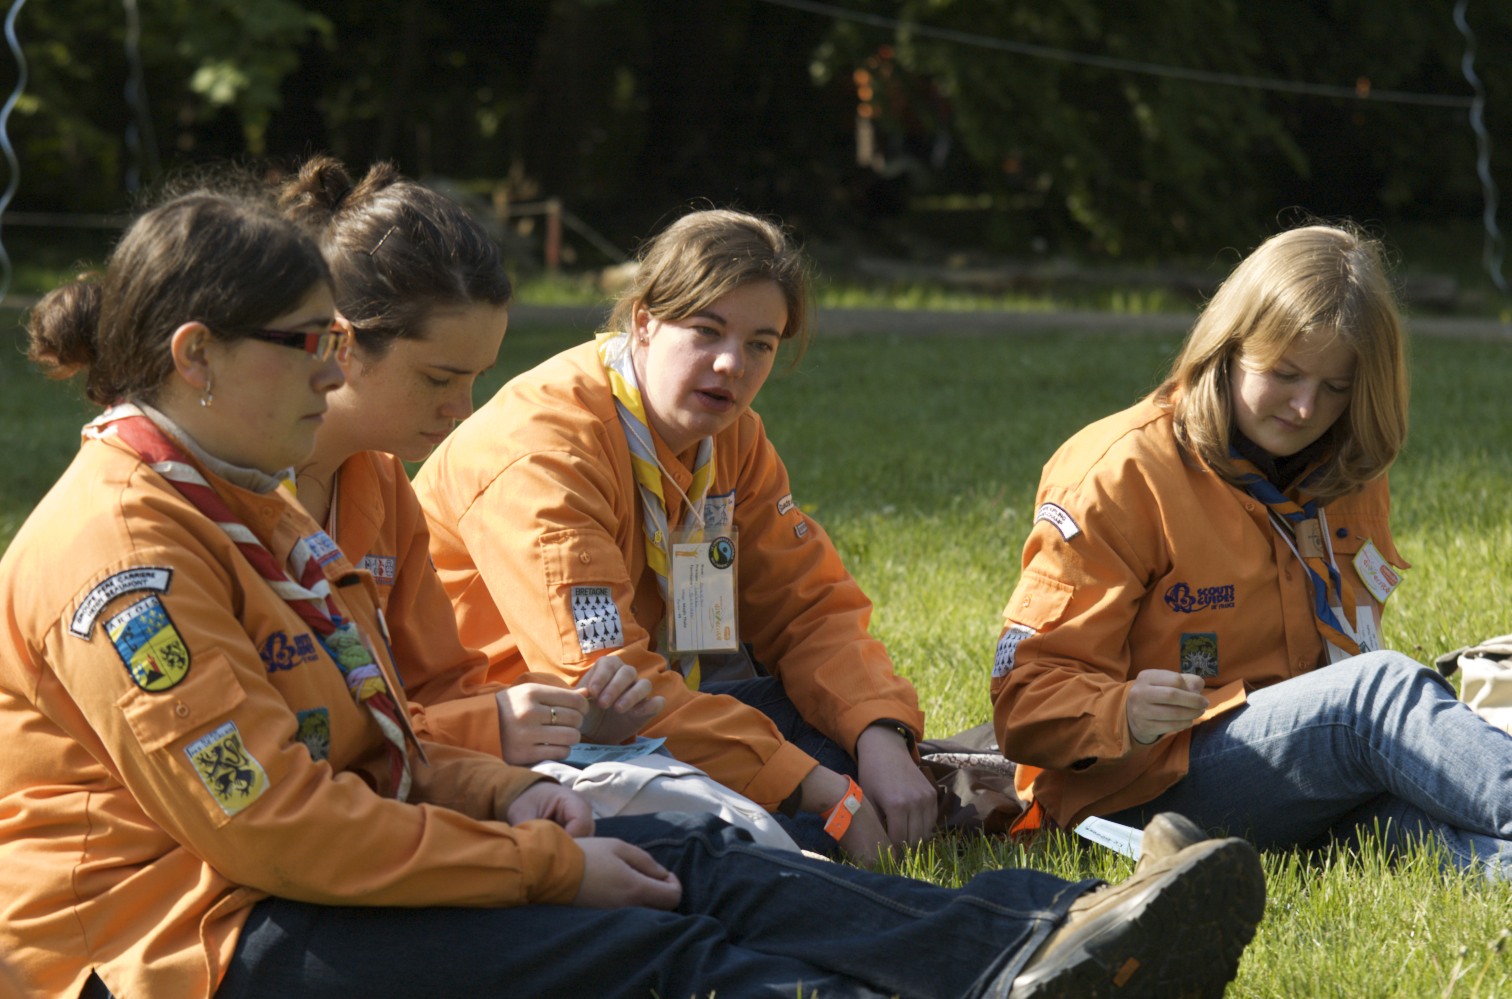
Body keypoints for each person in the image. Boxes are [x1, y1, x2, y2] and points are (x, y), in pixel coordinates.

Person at [0, 189, 1269, 999]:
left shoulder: (252, 505)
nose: (334, 379)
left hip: (310, 866)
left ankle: (1040, 943)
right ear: (196, 358)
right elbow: (274, 827)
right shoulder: (129, 563)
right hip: (184, 937)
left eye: (342, 344)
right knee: (647, 943)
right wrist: (545, 858)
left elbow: (390, 732)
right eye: (314, 345)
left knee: (684, 856)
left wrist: (515, 796)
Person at [277, 156, 791, 848]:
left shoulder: (378, 474)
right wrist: (508, 765)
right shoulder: (222, 495)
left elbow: (441, 689)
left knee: (729, 845)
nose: (462, 410)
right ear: (340, 343)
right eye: (439, 378)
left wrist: (876, 725)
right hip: (272, 876)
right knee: (701, 859)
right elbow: (289, 754)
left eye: (761, 344)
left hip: (439, 784)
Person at [992, 223, 1512, 878]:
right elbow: (1024, 700)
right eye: (1285, 374)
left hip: (1297, 764)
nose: (1304, 408)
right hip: (1139, 793)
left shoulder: (1346, 464)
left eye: (1336, 387)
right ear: (1228, 348)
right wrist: (1122, 709)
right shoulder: (1120, 471)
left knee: (1433, 828)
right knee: (1376, 695)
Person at [415, 209, 938, 860]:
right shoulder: (544, 450)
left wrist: (879, 735)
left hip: (664, 700)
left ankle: (878, 801)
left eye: (760, 343)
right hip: (536, 733)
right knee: (738, 825)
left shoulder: (730, 438)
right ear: (643, 321)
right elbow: (602, 683)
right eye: (706, 330)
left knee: (845, 737)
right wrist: (823, 788)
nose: (731, 364)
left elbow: (808, 607)